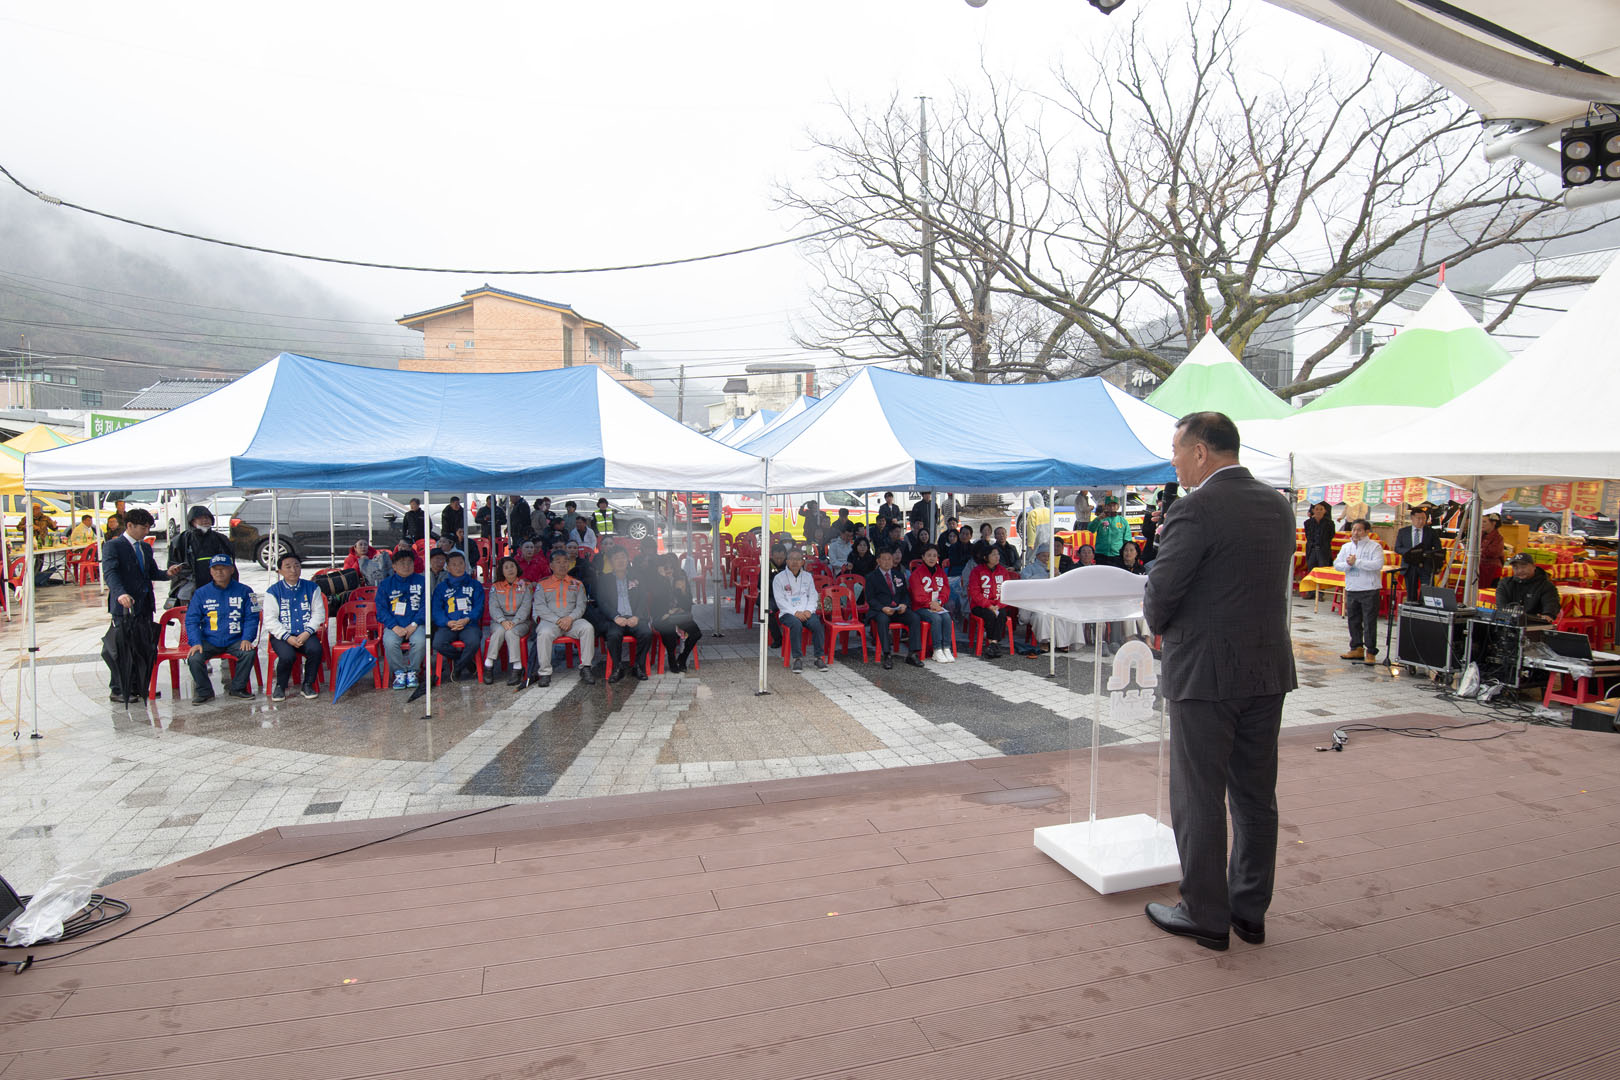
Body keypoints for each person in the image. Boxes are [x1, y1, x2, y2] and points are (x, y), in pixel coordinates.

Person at [1143, 411, 1296, 952]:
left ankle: (1205, 913)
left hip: (1205, 674)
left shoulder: (1195, 508)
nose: (1174, 461)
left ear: (1201, 452)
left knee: (1198, 796)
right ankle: (1249, 911)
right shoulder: (1278, 505)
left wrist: (1158, 621)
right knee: (1255, 795)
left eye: (1176, 450)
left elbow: (1161, 594)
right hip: (1266, 669)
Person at [99, 508, 167, 703]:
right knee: (123, 649)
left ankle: (139, 686)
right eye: (143, 528)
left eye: (148, 528)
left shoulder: (144, 547)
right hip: (124, 606)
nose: (146, 531)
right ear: (130, 525)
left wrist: (168, 574)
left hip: (144, 603)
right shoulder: (113, 546)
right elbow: (110, 573)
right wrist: (120, 593)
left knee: (143, 647)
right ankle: (119, 689)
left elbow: (152, 572)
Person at [185, 554, 259, 704]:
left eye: (223, 568)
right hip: (210, 639)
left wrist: (247, 638)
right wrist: (195, 642)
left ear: (231, 570)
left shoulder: (246, 591)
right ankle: (205, 692)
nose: (219, 572)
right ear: (210, 571)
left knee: (248, 653)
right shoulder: (201, 593)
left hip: (236, 639)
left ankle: (238, 688)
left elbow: (252, 617)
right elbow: (192, 620)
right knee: (194, 658)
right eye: (215, 569)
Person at [527, 550, 597, 688]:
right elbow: (540, 607)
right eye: (558, 562)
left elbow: (581, 605)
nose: (562, 565)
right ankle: (545, 673)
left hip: (572, 621)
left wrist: (570, 618)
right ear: (551, 566)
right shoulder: (543, 584)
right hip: (550, 622)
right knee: (544, 633)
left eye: (565, 562)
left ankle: (586, 668)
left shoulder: (577, 583)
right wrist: (558, 620)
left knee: (587, 628)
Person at [263, 552, 327, 701]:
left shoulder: (312, 588)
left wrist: (307, 632)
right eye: (288, 567)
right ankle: (280, 686)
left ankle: (308, 684)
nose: (293, 570)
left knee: (316, 650)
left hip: (306, 633)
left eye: (296, 566)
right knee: (287, 656)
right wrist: (287, 637)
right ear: (279, 571)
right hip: (282, 636)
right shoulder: (273, 591)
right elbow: (270, 620)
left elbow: (319, 613)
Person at [590, 546, 652, 682]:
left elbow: (642, 599)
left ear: (628, 559)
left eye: (623, 557)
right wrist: (615, 617)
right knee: (613, 635)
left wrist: (637, 616)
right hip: (615, 619)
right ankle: (617, 668)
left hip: (634, 617)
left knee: (646, 633)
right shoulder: (604, 579)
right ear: (611, 561)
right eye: (616, 558)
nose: (620, 561)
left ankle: (638, 666)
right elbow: (602, 602)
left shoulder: (637, 577)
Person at [1333, 518, 1384, 666]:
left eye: (1359, 530)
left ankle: (1371, 651)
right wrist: (1348, 564)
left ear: (1367, 531)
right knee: (1353, 620)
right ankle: (1356, 647)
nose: (1355, 533)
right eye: (1354, 529)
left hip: (1369, 589)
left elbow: (1377, 564)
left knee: (1369, 622)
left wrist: (1357, 562)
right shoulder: (1346, 547)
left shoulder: (1375, 547)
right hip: (1352, 588)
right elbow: (1337, 564)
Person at [377, 548, 427, 692]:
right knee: (390, 642)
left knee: (420, 641)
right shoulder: (386, 584)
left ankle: (413, 672)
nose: (406, 566)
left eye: (409, 562)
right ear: (394, 566)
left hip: (416, 624)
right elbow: (381, 610)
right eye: (402, 563)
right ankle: (399, 672)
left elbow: (426, 606)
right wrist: (394, 626)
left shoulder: (422, 581)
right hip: (394, 625)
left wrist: (414, 624)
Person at [431, 549, 486, 683]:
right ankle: (467, 662)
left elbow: (479, 607)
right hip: (448, 625)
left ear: (465, 565)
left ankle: (458, 667)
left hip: (469, 624)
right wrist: (447, 622)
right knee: (438, 643)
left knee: (473, 642)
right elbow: (436, 610)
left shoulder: (475, 585)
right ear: (447, 568)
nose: (458, 567)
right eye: (454, 565)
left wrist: (467, 619)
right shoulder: (441, 587)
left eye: (461, 564)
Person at [166, 504, 233, 606]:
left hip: (218, 586)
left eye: (207, 517)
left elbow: (230, 565)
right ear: (192, 521)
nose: (205, 520)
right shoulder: (180, 540)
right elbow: (173, 566)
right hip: (190, 588)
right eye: (200, 518)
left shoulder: (221, 539)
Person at [866, 548, 922, 669]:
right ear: (878, 561)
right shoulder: (871, 577)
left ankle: (912, 654)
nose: (887, 562)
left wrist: (904, 604)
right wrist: (882, 608)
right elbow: (870, 599)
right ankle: (887, 654)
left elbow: (905, 594)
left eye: (889, 559)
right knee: (883, 620)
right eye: (884, 559)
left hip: (898, 609)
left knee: (915, 618)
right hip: (881, 610)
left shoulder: (899, 575)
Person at [646, 554, 703, 674]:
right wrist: (663, 580)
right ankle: (671, 659)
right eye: (666, 568)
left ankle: (682, 658)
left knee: (696, 633)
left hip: (678, 615)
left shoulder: (680, 577)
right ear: (660, 568)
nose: (669, 570)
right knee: (669, 629)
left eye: (671, 567)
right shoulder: (655, 580)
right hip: (661, 615)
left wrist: (682, 592)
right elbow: (656, 602)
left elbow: (688, 604)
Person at [773, 548, 827, 672]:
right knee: (796, 625)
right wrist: (795, 613)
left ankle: (819, 657)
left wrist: (809, 610)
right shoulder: (779, 578)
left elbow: (813, 595)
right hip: (788, 613)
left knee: (817, 624)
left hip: (806, 611)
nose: (795, 562)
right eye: (792, 559)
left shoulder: (808, 576)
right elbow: (780, 600)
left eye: (798, 559)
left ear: (803, 562)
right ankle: (797, 659)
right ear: (787, 561)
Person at [1019, 543, 1081, 653]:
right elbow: (1026, 585)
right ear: (1037, 556)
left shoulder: (1054, 568)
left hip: (1053, 601)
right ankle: (1045, 641)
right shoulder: (1029, 568)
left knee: (1068, 613)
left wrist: (1058, 576)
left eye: (1048, 556)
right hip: (1036, 603)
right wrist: (1044, 577)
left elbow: (1062, 586)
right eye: (1044, 555)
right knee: (1042, 616)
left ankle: (1064, 642)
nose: (1046, 558)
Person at [484, 556, 532, 686]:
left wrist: (515, 621)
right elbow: (493, 607)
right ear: (502, 571)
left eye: (512, 566)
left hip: (521, 622)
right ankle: (488, 664)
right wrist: (502, 621)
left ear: (517, 568)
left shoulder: (525, 585)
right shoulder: (496, 587)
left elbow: (525, 607)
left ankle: (517, 667)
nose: (510, 570)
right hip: (499, 621)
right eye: (506, 567)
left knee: (511, 632)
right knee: (499, 631)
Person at [967, 546, 1019, 659]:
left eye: (998, 554)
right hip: (980, 605)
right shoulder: (977, 571)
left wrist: (998, 606)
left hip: (998, 605)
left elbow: (1007, 591)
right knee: (990, 615)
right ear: (986, 557)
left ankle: (992, 644)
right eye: (993, 554)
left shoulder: (1003, 571)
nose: (997, 557)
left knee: (1002, 615)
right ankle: (993, 645)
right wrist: (989, 605)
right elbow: (975, 593)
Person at [909, 545, 955, 664]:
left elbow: (946, 590)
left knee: (946, 617)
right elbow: (917, 595)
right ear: (923, 557)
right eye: (929, 555)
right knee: (936, 618)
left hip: (937, 606)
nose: (932, 558)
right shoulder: (916, 573)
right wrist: (930, 604)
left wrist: (939, 602)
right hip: (921, 607)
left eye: (934, 556)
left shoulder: (941, 572)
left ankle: (946, 648)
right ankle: (937, 649)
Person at [1394, 506, 1444, 601]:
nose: (1421, 521)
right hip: (1410, 565)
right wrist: (1412, 552)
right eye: (1419, 518)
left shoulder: (1431, 532)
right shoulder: (1403, 532)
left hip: (1426, 565)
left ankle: (1424, 607)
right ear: (1412, 518)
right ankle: (1411, 606)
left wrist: (1425, 554)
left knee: (1427, 592)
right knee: (1411, 593)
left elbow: (1438, 549)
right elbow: (1397, 548)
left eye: (1424, 519)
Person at [1496, 553, 1561, 624]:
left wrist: (1548, 615)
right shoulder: (1505, 583)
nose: (1520, 570)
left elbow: (1550, 606)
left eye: (1523, 567)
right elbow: (1501, 607)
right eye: (1515, 567)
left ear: (1534, 566)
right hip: (1508, 623)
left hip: (1535, 625)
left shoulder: (1546, 585)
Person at [1091, 496, 1129, 567]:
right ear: (1105, 506)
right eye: (1109, 505)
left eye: (1114, 505)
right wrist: (1098, 519)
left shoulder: (1123, 521)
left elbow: (1127, 540)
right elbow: (1091, 529)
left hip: (1117, 555)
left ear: (1118, 507)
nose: (1112, 507)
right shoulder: (1100, 519)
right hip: (1101, 554)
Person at [1301, 501, 1335, 575]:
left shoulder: (1330, 523)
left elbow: (1331, 536)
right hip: (1312, 550)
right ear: (1313, 510)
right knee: (1311, 570)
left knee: (1323, 570)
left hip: (1323, 550)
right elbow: (1308, 536)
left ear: (1325, 511)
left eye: (1321, 509)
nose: (1319, 511)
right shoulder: (1307, 523)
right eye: (1316, 509)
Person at [1477, 513, 1505, 588]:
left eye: (1484, 522)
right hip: (1480, 567)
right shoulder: (1480, 535)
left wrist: (1480, 551)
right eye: (1481, 521)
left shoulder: (1498, 537)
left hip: (1492, 569)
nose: (1482, 524)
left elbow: (1493, 552)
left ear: (1493, 523)